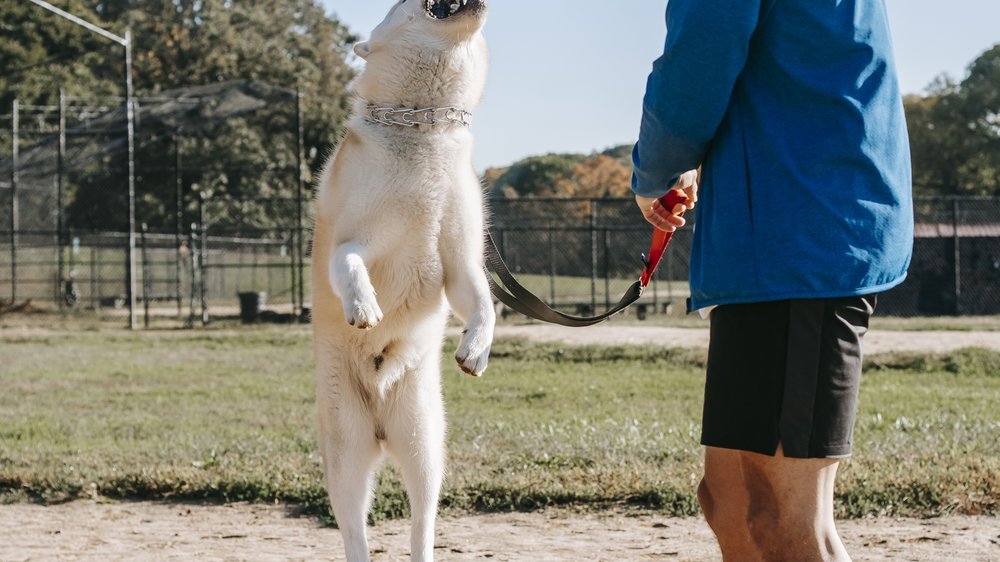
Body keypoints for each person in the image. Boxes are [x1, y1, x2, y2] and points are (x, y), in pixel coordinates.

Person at [631, 0, 913, 560]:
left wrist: (655, 170)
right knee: (731, 502)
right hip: (783, 230)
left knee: (782, 524)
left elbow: (702, 53)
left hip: (799, 230)